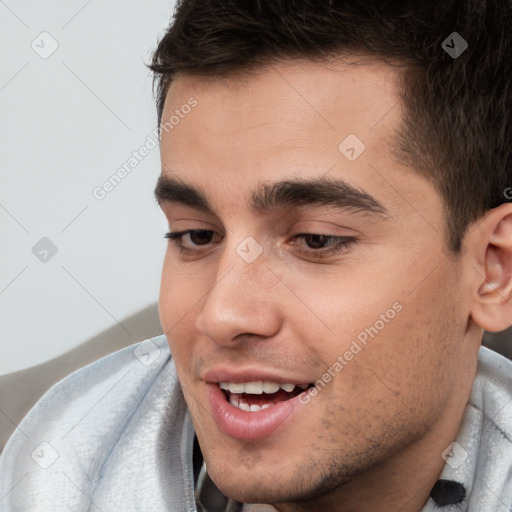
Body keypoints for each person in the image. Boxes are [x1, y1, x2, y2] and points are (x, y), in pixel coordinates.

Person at [1, 1, 512, 510]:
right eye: (196, 235)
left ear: (494, 269)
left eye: (316, 240)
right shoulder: (29, 465)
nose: (221, 315)